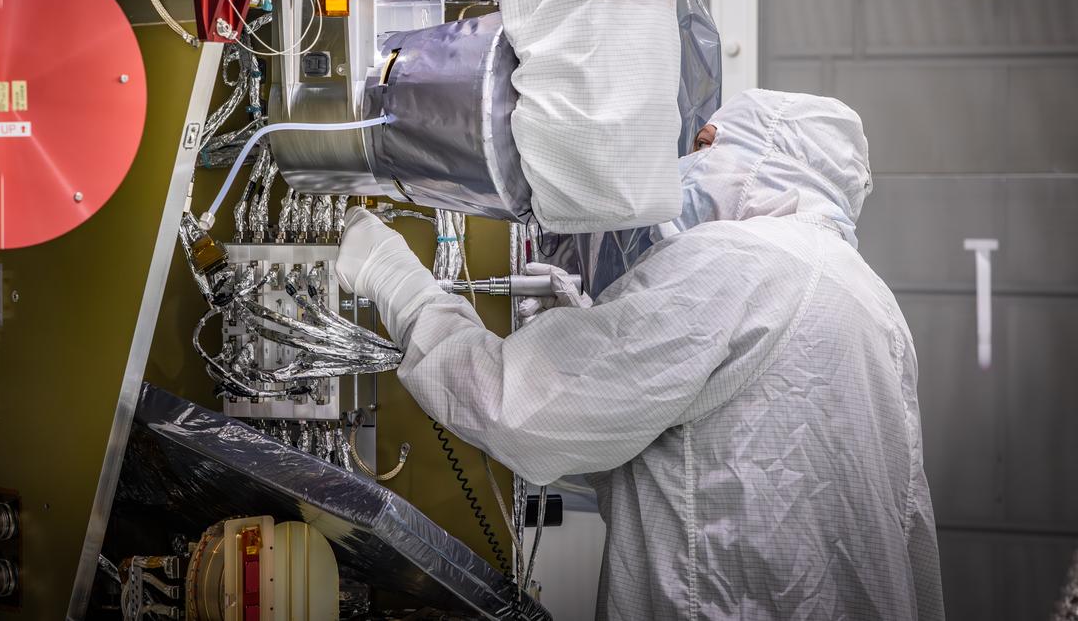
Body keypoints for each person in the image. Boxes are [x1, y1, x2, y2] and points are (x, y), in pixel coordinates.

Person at [334, 89, 944, 620]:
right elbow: (706, 456)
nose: (689, 164)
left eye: (704, 146)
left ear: (764, 159)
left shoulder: (738, 261)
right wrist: (591, 340)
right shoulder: (869, 299)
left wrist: (400, 285)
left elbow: (517, 410)